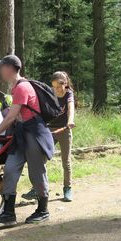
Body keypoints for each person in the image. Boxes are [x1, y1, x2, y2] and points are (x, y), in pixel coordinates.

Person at [0, 55, 54, 226]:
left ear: (10, 68)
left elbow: (11, 118)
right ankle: (8, 213)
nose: (0, 70)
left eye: (1, 66)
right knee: (10, 168)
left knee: (36, 172)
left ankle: (43, 210)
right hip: (21, 134)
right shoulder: (15, 88)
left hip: (34, 133)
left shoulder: (22, 87)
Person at [23, 71, 76, 202]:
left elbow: (71, 107)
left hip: (64, 130)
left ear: (65, 84)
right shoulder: (51, 93)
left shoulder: (69, 94)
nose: (56, 90)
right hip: (49, 130)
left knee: (66, 162)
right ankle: (38, 188)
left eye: (58, 87)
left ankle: (67, 188)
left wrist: (70, 120)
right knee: (40, 159)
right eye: (54, 87)